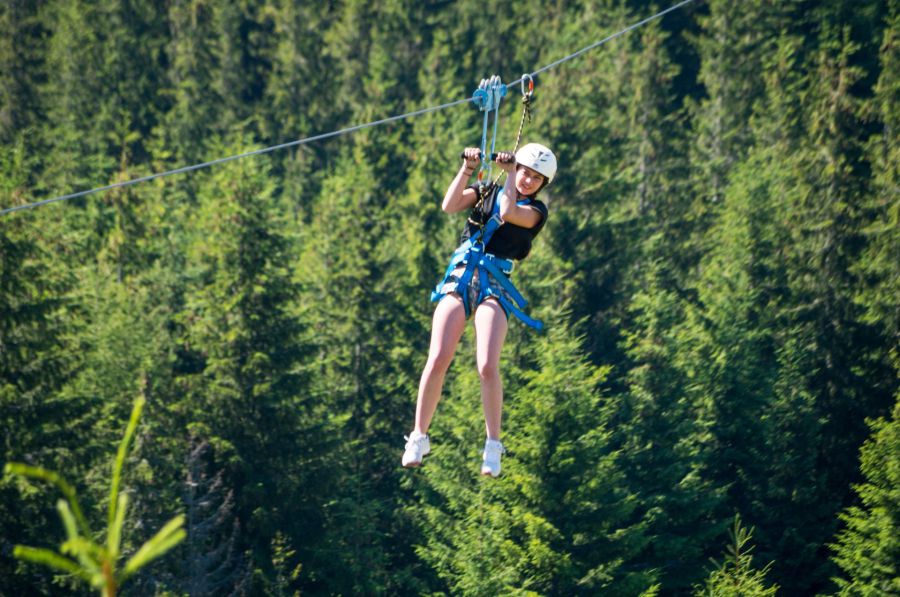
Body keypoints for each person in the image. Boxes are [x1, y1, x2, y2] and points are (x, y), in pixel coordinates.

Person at [402, 142, 558, 477]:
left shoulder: (537, 211)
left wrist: (511, 171)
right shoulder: (489, 188)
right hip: (460, 277)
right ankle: (418, 436)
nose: (527, 181)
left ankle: (492, 444)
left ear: (543, 185)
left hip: (494, 284)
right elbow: (450, 204)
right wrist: (468, 168)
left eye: (535, 178)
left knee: (487, 364)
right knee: (438, 357)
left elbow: (508, 214)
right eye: (526, 173)